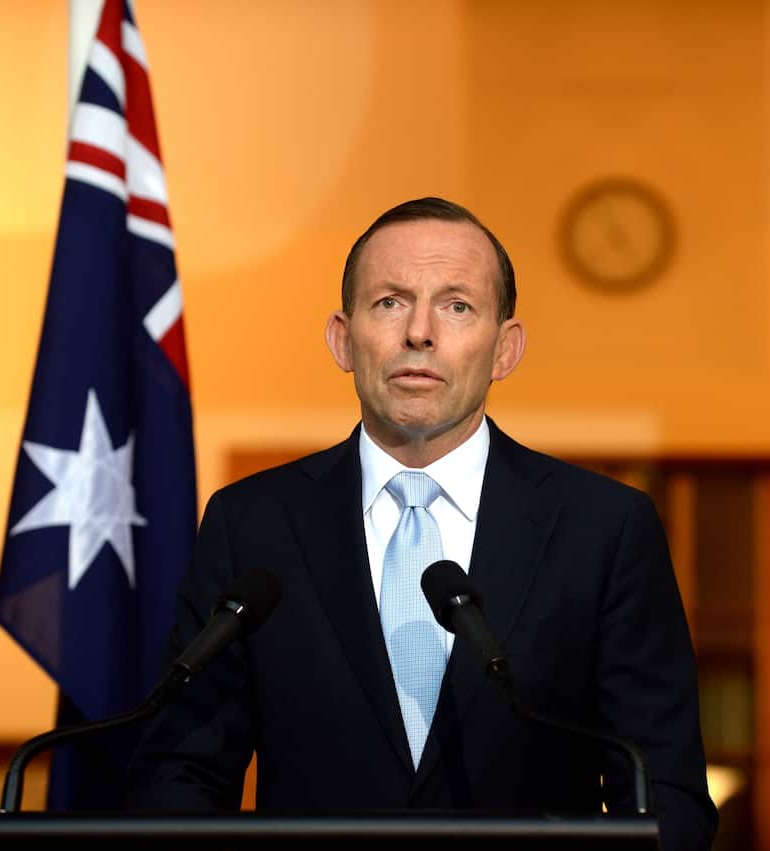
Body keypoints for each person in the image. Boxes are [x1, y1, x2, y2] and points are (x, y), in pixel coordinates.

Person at [127, 197, 717, 849]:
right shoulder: (251, 523)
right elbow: (180, 774)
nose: (419, 332)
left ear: (505, 348)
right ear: (342, 338)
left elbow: (665, 794)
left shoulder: (603, 528)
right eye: (389, 302)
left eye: (457, 305)